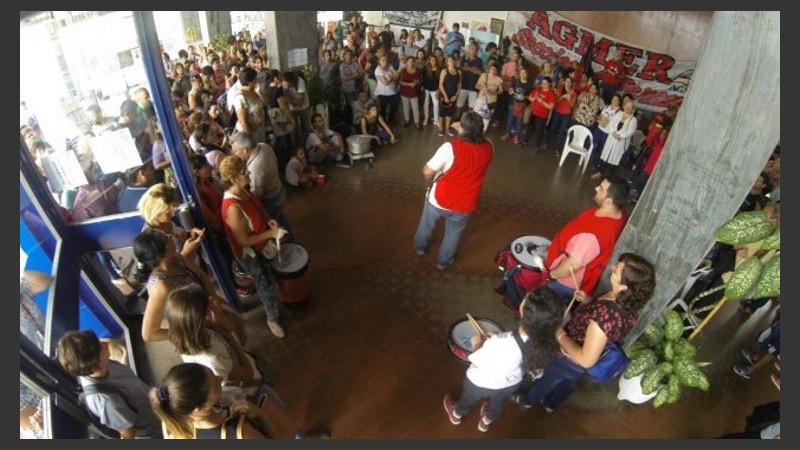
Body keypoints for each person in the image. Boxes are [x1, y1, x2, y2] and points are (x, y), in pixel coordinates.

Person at [511, 252, 656, 412]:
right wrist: (587, 300)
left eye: (617, 270)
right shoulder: (628, 302)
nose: (613, 267)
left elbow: (586, 360)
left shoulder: (604, 318)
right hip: (582, 360)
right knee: (570, 380)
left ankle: (527, 401)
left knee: (549, 378)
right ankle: (551, 403)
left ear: (624, 286)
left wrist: (559, 333)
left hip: (570, 358)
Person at [443, 285, 564, 432]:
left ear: (522, 309)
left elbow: (476, 359)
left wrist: (478, 344)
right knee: (497, 405)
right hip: (510, 384)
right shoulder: (547, 347)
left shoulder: (501, 342)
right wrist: (496, 340)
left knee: (468, 399)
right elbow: (536, 373)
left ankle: (456, 414)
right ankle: (485, 422)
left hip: (480, 381)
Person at [413, 111, 494, 270]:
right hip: (466, 203)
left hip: (439, 199)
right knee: (454, 234)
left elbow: (427, 171)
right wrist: (463, 130)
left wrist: (429, 183)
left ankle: (420, 247)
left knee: (427, 224)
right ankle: (444, 262)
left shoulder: (450, 147)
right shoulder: (490, 147)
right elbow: (474, 147)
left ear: (462, 129)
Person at [165, 285, 275, 401]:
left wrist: (216, 315)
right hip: (251, 390)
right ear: (199, 319)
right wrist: (230, 340)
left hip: (242, 366)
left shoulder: (188, 334)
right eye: (207, 308)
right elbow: (248, 373)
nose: (211, 304)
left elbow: (231, 327)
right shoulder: (213, 358)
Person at [218, 155, 287, 338]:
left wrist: (268, 221)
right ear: (233, 179)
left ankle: (277, 299)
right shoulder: (232, 207)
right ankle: (272, 318)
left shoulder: (244, 191)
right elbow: (244, 241)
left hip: (262, 243)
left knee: (271, 276)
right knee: (264, 284)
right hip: (250, 253)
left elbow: (258, 211)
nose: (248, 173)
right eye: (243, 172)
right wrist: (270, 234)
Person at [56, 329, 163, 438]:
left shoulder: (91, 366)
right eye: (100, 346)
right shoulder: (106, 401)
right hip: (156, 430)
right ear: (95, 363)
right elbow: (128, 434)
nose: (105, 343)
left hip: (156, 406)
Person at [544, 176, 630, 301]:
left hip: (564, 282)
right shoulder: (618, 213)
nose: (596, 188)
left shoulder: (592, 237)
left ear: (609, 201)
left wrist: (550, 275)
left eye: (600, 189)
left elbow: (572, 265)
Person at [151, 363, 282, 439]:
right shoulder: (241, 433)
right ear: (200, 407)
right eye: (215, 384)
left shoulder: (174, 424)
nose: (220, 378)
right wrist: (260, 414)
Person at [230, 131, 294, 240]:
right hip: (278, 189)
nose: (235, 153)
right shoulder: (263, 146)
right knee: (281, 217)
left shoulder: (255, 167)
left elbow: (257, 193)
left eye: (236, 151)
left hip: (271, 199)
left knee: (277, 222)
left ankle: (287, 241)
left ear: (244, 150)